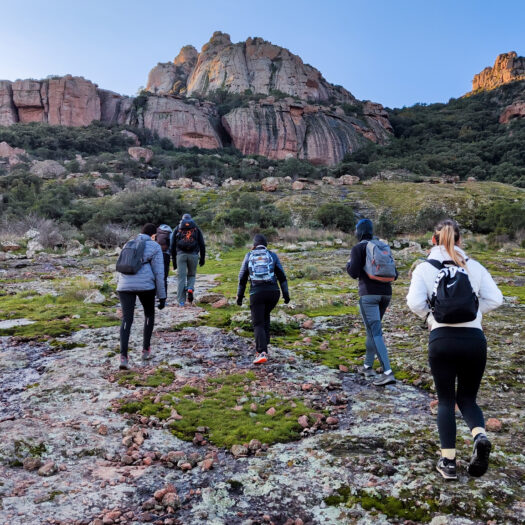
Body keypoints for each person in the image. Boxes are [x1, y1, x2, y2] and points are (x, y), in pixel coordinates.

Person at [406, 219, 503, 480]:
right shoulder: (474, 266)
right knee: (468, 398)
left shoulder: (424, 268)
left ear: (433, 240)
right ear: (459, 240)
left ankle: (448, 462)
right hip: (474, 339)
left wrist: (431, 317)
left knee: (446, 400)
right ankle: (479, 435)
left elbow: (413, 302)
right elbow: (496, 298)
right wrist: (473, 313)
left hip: (442, 339)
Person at [346, 218, 398, 386]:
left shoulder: (358, 248)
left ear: (359, 232)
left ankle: (387, 372)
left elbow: (353, 273)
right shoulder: (381, 246)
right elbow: (395, 273)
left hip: (368, 296)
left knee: (375, 332)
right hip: (386, 294)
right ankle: (367, 366)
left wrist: (348, 264)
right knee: (372, 330)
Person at [116, 223, 166, 370]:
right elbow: (159, 273)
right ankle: (145, 350)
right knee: (149, 314)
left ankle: (123, 357)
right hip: (146, 286)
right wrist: (162, 296)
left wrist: (120, 285)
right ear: (153, 235)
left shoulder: (128, 243)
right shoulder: (155, 246)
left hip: (124, 285)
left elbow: (121, 265)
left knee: (127, 319)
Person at [236, 234, 290, 364]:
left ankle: (261, 352)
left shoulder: (249, 256)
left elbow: (242, 277)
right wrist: (286, 294)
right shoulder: (272, 255)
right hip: (273, 293)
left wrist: (240, 296)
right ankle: (265, 343)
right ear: (266, 245)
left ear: (253, 245)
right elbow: (282, 276)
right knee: (265, 315)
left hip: (257, 293)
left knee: (258, 323)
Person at [170, 213, 205, 307]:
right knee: (192, 275)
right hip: (193, 255)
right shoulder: (196, 229)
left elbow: (172, 245)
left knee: (181, 278)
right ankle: (190, 288)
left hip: (180, 255)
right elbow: (202, 244)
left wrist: (174, 260)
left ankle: (181, 301)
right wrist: (202, 258)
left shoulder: (177, 228)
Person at [154, 224, 173, 296]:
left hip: (156, 254)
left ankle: (155, 293)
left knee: (156, 274)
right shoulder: (170, 232)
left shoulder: (157, 231)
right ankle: (163, 294)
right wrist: (171, 253)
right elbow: (171, 243)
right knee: (164, 275)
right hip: (166, 254)